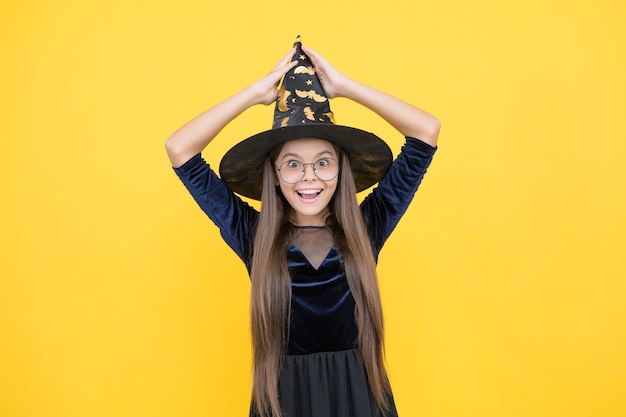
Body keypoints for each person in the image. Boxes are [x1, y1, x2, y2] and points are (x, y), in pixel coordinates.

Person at [165, 37, 440, 417]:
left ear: (341, 169)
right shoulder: (253, 234)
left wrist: (344, 88)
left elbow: (426, 131)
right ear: (275, 175)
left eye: (323, 162)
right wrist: (254, 93)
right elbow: (180, 150)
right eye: (292, 164)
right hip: (285, 401)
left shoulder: (367, 225)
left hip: (359, 397)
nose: (308, 178)